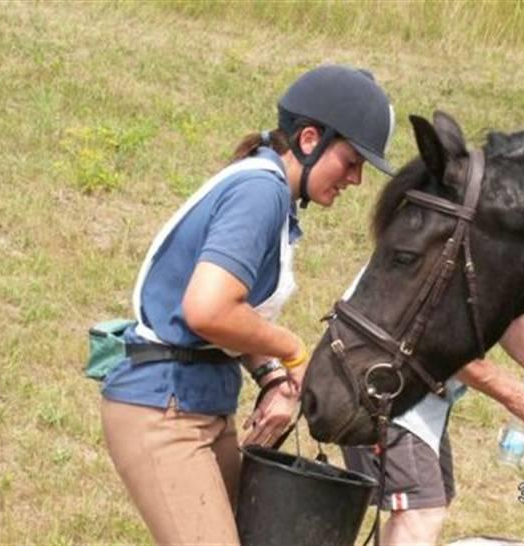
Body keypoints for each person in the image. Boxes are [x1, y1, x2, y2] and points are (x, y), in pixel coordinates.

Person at [99, 65, 396, 545]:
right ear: (309, 139)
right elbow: (208, 310)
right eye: (351, 160)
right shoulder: (260, 193)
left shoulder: (271, 194)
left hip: (198, 406)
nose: (357, 180)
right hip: (163, 411)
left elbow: (231, 320)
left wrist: (271, 375)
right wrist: (292, 349)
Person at [341, 282, 524, 545]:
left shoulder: (496, 249)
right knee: (420, 512)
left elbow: (508, 311)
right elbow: (437, 343)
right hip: (383, 387)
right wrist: (515, 395)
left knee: (433, 501)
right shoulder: (444, 248)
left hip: (419, 397)